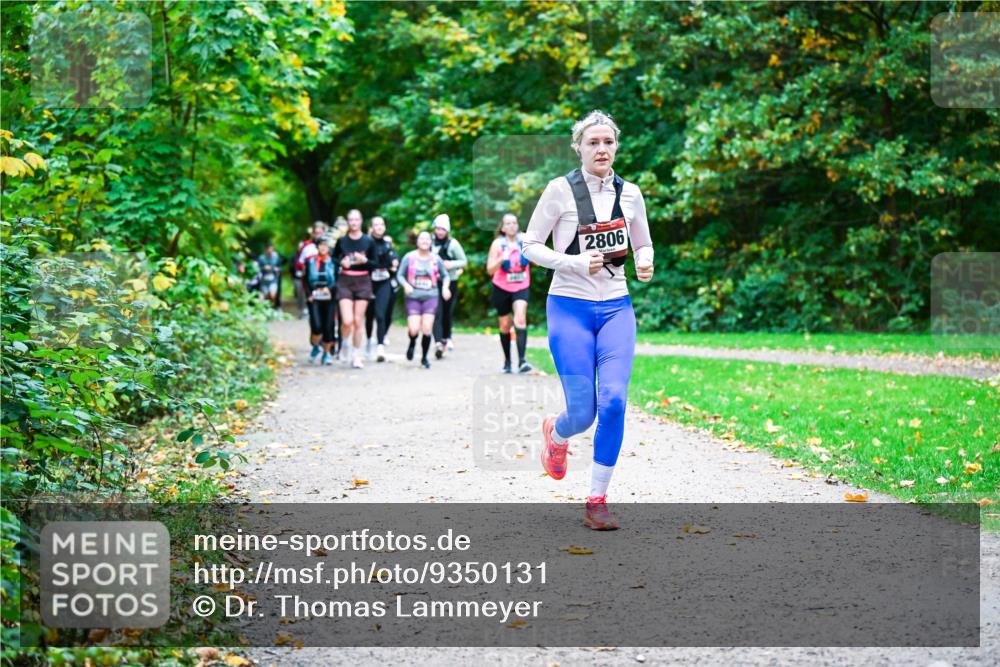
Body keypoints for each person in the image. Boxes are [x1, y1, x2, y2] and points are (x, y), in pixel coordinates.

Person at [522, 110, 655, 531]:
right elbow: (529, 245)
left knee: (614, 401)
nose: (601, 149)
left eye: (608, 142)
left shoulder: (630, 193)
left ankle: (597, 499)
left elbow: (643, 242)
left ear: (616, 146)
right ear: (578, 146)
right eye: (593, 142)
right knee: (583, 413)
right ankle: (557, 434)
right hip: (569, 307)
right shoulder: (559, 191)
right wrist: (575, 263)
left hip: (616, 307)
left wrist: (646, 261)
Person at [486, 213, 533, 373]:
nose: (512, 225)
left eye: (514, 222)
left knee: (520, 319)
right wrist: (501, 259)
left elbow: (538, 261)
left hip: (521, 286)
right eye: (508, 223)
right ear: (503, 227)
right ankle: (507, 361)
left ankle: (522, 361)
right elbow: (490, 270)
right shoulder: (497, 244)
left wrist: (534, 257)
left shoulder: (525, 240)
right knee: (505, 325)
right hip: (501, 288)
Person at [397, 230, 451, 369]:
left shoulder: (436, 259)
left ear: (431, 241)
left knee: (427, 328)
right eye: (422, 239)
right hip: (413, 297)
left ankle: (424, 358)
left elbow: (445, 275)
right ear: (417, 241)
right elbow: (400, 275)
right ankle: (412, 342)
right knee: (414, 329)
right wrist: (405, 285)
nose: (425, 241)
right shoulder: (409, 257)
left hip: (431, 296)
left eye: (427, 239)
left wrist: (445, 287)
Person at [332, 209, 376, 369]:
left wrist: (365, 260)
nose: (354, 223)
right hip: (345, 280)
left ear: (361, 221)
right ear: (348, 222)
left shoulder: (368, 241)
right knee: (347, 321)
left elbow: (375, 263)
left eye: (356, 220)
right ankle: (344, 343)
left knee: (358, 321)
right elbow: (333, 258)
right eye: (351, 220)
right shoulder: (342, 240)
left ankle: (356, 355)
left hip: (363, 280)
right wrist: (341, 262)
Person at [430, 214, 467, 358]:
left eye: (443, 229)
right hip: (433, 283)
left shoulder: (453, 244)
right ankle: (438, 342)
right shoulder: (430, 242)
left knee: (447, 312)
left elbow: (463, 261)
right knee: (436, 312)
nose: (440, 232)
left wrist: (451, 264)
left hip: (450, 281)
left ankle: (446, 338)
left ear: (447, 231)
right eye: (438, 229)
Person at [365, 216, 399, 362]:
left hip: (384, 282)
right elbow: (367, 264)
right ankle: (368, 339)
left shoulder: (387, 244)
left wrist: (394, 262)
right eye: (376, 224)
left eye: (382, 224)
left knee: (381, 314)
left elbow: (393, 261)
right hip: (367, 282)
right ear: (371, 227)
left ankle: (380, 347)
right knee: (369, 314)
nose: (379, 227)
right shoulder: (366, 243)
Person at [304, 236, 337, 365]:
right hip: (315, 297)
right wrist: (309, 294)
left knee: (328, 326)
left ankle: (326, 354)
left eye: (325, 245)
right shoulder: (310, 262)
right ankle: (315, 346)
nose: (323, 248)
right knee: (316, 326)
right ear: (317, 247)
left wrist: (329, 289)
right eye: (320, 245)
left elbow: (338, 280)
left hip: (329, 297)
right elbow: (305, 280)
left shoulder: (333, 262)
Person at [256, 243, 283, 308]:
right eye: (268, 249)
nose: (270, 251)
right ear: (266, 250)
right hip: (264, 280)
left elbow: (279, 267)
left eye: (271, 249)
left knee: (272, 295)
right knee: (263, 296)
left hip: (273, 280)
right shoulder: (261, 258)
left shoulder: (276, 257)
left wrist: (274, 269)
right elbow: (257, 268)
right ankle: (267, 308)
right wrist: (263, 268)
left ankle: (272, 308)